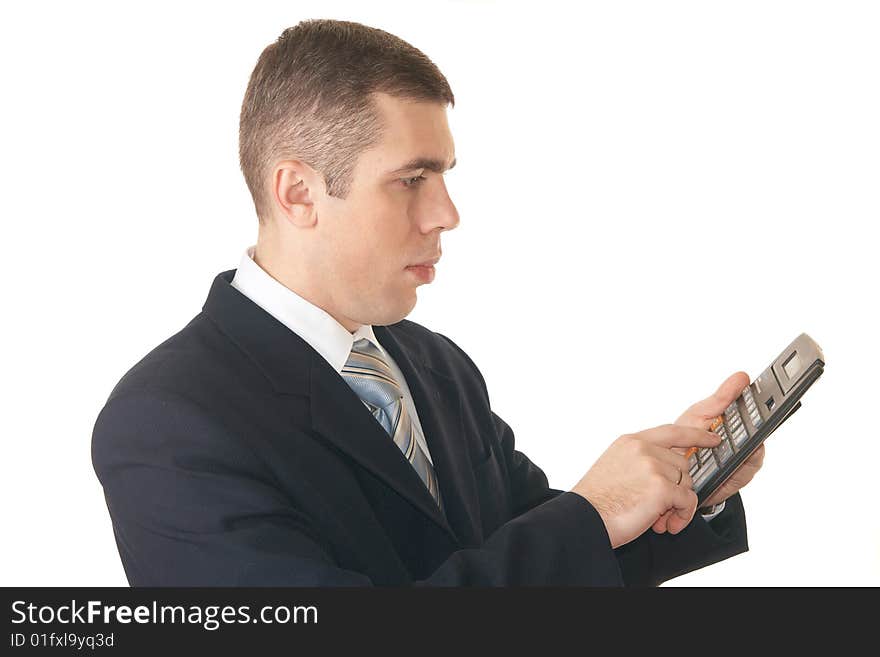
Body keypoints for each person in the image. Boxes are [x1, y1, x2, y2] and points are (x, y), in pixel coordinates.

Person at [91, 18, 764, 586]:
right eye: (410, 180)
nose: (446, 213)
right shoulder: (165, 423)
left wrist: (687, 489)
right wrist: (594, 509)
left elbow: (536, 551)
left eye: (442, 177)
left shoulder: (432, 364)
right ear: (298, 193)